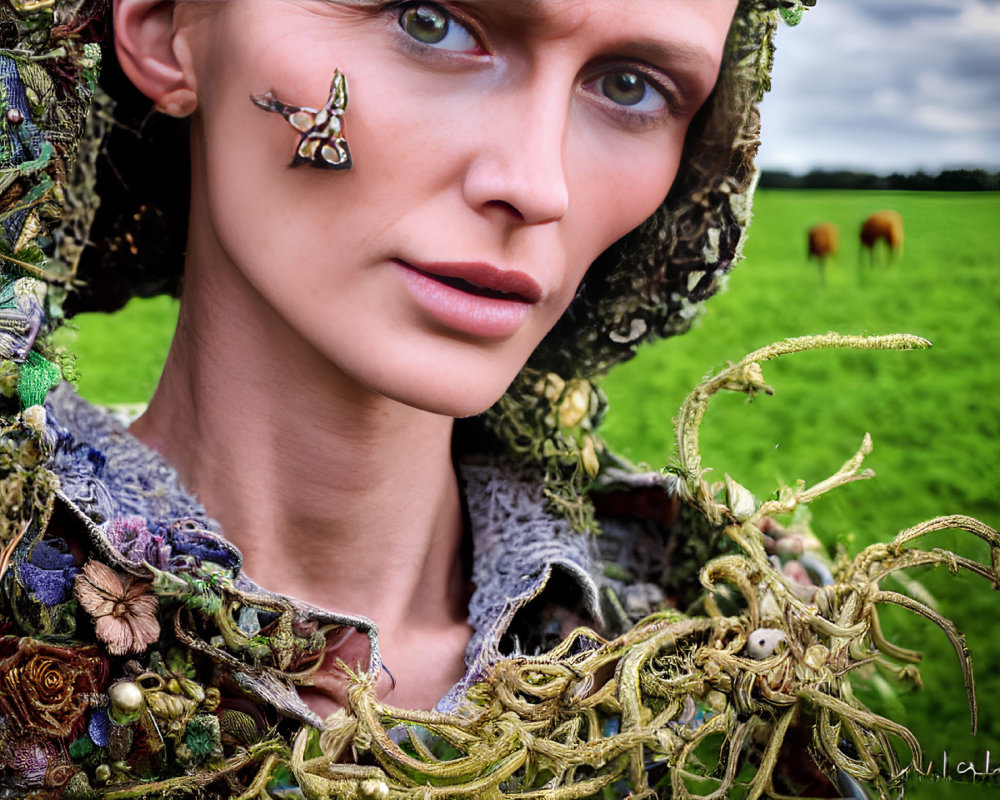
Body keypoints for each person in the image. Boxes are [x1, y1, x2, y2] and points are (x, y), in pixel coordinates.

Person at [3, 0, 946, 797]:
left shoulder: (736, 645)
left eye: (631, 86)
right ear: (169, 26)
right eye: (428, 19)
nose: (538, 186)